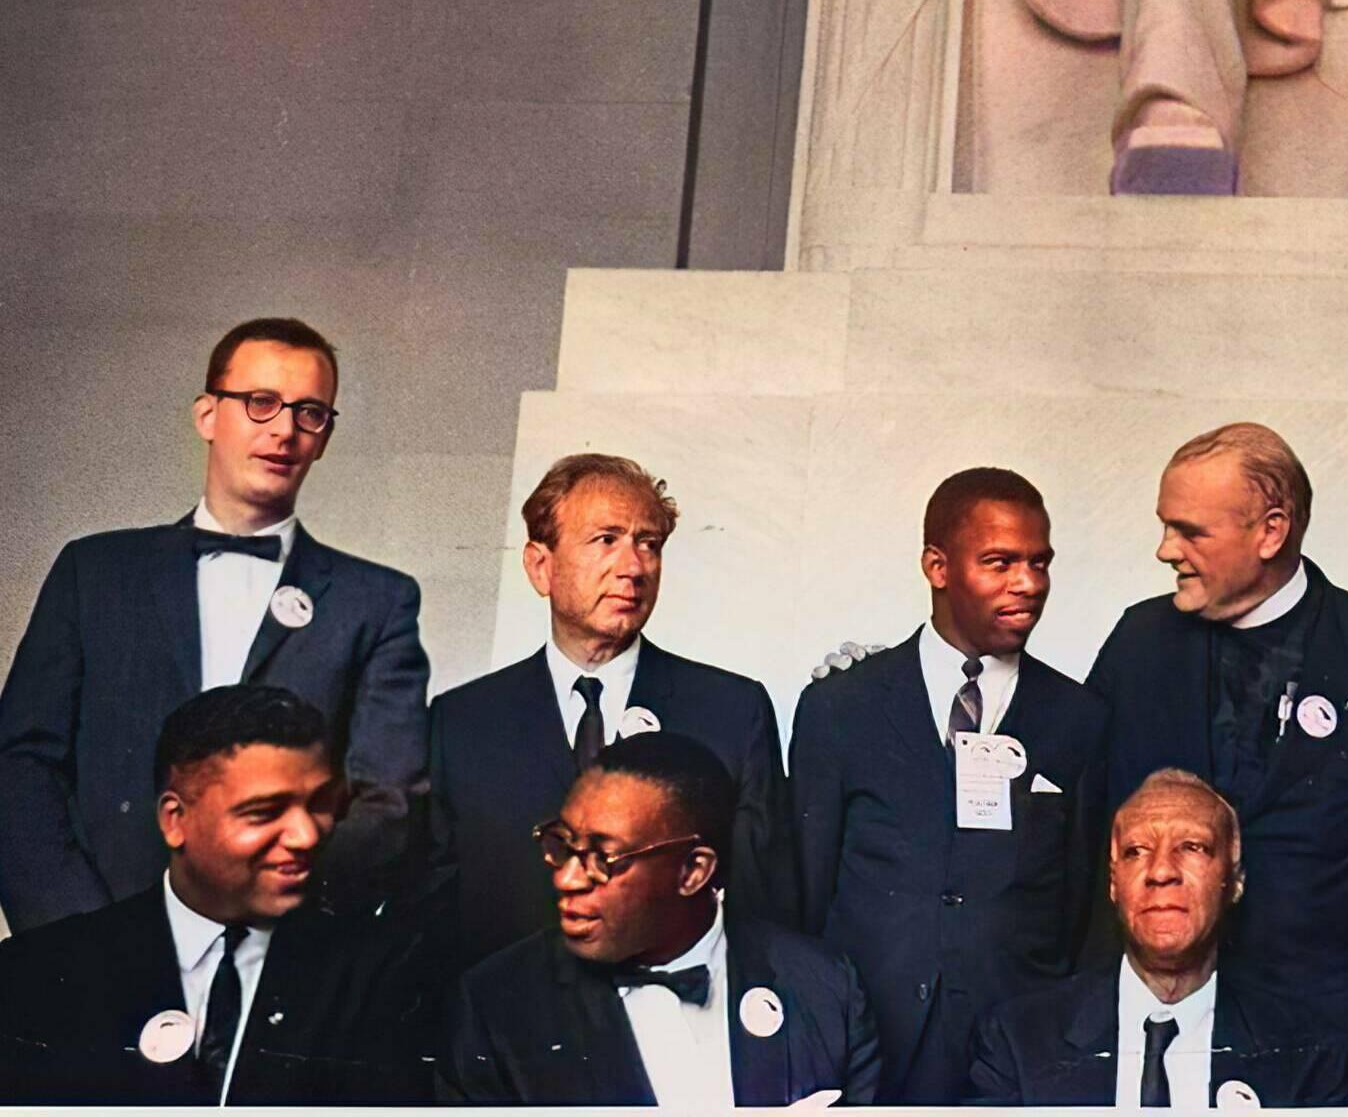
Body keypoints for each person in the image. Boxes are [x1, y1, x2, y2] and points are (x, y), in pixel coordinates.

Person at [0, 317, 428, 928]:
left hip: (279, 967)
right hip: (96, 941)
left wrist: (280, 930)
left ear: (325, 437)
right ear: (207, 415)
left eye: (310, 412)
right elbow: (19, 767)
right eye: (260, 403)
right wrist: (78, 937)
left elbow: (388, 802)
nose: (284, 429)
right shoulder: (93, 572)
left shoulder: (376, 602)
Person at [1083, 422, 1348, 1091]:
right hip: (1159, 1038)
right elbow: (1087, 832)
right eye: (1165, 525)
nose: (1165, 549)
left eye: (1190, 530)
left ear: (1271, 530)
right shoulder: (1137, 645)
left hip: (1330, 1047)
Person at [788, 467, 1110, 1103]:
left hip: (1015, 1055)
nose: (1028, 584)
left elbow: (1083, 910)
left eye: (1039, 563)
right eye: (1000, 562)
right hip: (863, 1048)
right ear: (937, 566)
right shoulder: (840, 706)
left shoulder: (1082, 720)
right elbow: (804, 890)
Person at [428, 453, 793, 967]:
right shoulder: (460, 722)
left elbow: (765, 909)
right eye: (606, 540)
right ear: (540, 565)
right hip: (510, 1033)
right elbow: (431, 923)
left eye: (649, 544)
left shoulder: (732, 711)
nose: (634, 566)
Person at [0, 686, 436, 1103]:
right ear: (176, 820)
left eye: (320, 805)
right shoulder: (34, 973)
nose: (306, 835)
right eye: (264, 811)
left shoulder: (376, 978)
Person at [443, 732, 879, 1105]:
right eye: (563, 843)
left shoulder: (827, 990)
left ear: (693, 871)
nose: (567, 877)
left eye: (604, 857)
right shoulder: (494, 1009)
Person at [971, 768, 1348, 1105]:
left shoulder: (1314, 1058)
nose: (1161, 871)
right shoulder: (1018, 1042)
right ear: (1114, 884)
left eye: (1192, 846)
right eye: (1136, 851)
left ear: (1234, 881)